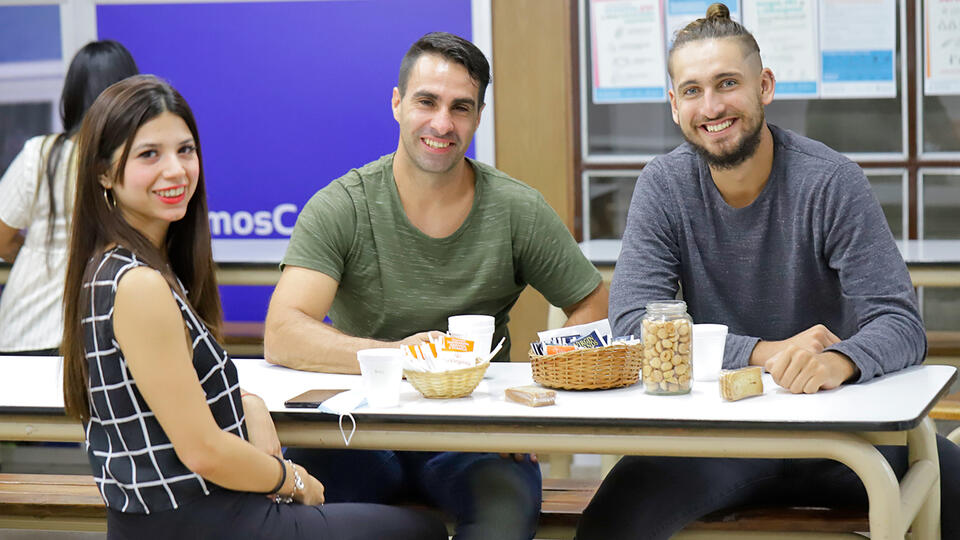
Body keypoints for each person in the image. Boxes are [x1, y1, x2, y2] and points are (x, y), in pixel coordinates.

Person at [576, 4, 960, 539]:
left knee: (952, 480)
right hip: (716, 439)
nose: (711, 107)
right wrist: (765, 352)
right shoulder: (663, 186)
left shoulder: (831, 182)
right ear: (673, 105)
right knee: (613, 518)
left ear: (765, 86)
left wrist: (840, 360)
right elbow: (632, 326)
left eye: (727, 83)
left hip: (839, 432)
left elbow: (900, 322)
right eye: (691, 90)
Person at [61, 75, 447, 540]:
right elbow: (203, 451)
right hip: (200, 521)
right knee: (419, 530)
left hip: (175, 518)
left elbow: (179, 398)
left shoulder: (116, 267)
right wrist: (290, 479)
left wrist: (251, 403)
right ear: (104, 173)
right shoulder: (139, 285)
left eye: (185, 150)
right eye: (149, 155)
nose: (176, 170)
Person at [265, 32, 607, 540]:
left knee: (503, 522)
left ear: (478, 115)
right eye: (427, 101)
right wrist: (399, 357)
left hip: (477, 438)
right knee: (317, 524)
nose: (442, 123)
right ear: (398, 103)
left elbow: (594, 305)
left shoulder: (516, 209)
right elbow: (283, 332)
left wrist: (534, 396)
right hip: (359, 430)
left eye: (461, 107)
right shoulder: (344, 205)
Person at [0, 40, 139, 355]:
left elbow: (1, 237)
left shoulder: (41, 152)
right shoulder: (138, 159)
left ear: (71, 95)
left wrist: (37, 249)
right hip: (103, 329)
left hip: (24, 326)